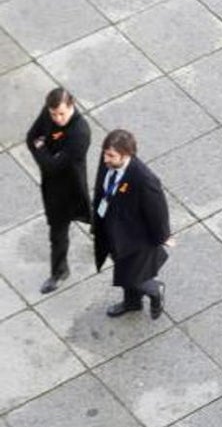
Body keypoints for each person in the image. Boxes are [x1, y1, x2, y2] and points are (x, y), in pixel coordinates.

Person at [92, 129, 170, 319]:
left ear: (126, 155)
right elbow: (100, 190)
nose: (105, 159)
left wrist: (163, 236)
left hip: (135, 237)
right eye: (105, 153)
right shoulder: (109, 163)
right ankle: (132, 303)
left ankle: (154, 289)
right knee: (123, 269)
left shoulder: (144, 179)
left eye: (111, 155)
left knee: (130, 275)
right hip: (113, 228)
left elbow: (158, 211)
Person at [25, 87, 91, 294]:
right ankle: (59, 271)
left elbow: (52, 165)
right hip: (54, 190)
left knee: (96, 219)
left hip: (73, 188)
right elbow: (30, 137)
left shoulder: (80, 132)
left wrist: (41, 149)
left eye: (62, 113)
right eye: (54, 114)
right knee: (57, 233)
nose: (57, 118)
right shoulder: (48, 113)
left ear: (72, 106)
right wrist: (45, 157)